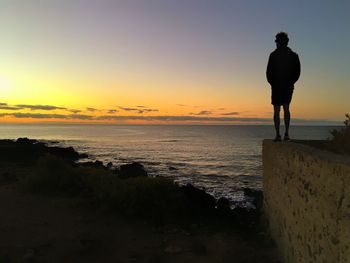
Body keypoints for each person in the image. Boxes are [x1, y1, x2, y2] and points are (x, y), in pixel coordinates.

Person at [266, 32, 300, 141]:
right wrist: (290, 82)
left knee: (279, 110)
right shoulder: (292, 55)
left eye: (277, 41)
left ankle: (280, 134)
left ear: (279, 42)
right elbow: (297, 72)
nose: (277, 43)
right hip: (283, 86)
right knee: (285, 109)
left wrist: (274, 83)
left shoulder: (275, 55)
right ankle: (284, 134)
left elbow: (268, 72)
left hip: (280, 86)